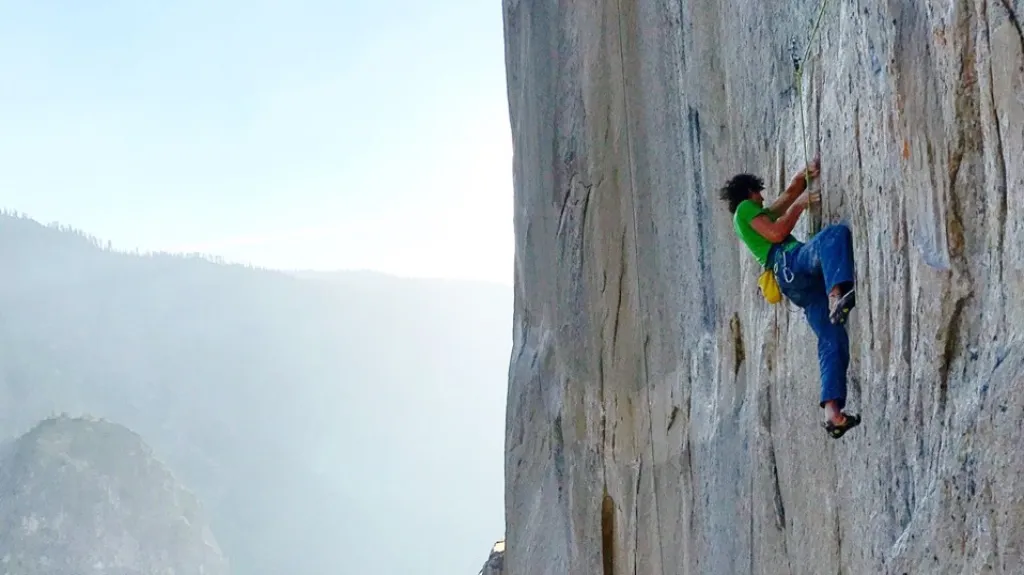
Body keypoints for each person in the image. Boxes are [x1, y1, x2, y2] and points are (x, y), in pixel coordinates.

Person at [719, 158, 861, 438]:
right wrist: (800, 206)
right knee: (833, 236)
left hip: (794, 286)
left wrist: (801, 179)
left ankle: (832, 413)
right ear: (748, 192)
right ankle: (836, 296)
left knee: (831, 338)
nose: (762, 197)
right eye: (758, 192)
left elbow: (782, 202)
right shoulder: (745, 210)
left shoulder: (751, 217)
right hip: (791, 263)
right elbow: (778, 231)